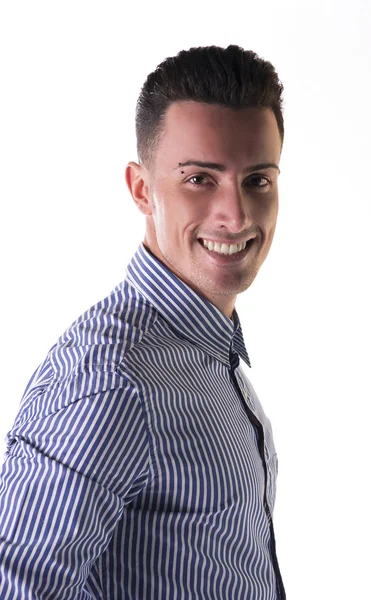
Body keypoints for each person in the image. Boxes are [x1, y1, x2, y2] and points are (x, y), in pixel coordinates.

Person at [0, 44, 286, 599]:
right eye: (201, 179)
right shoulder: (114, 380)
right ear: (140, 189)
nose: (236, 215)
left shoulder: (204, 352)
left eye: (258, 181)